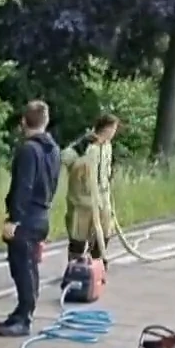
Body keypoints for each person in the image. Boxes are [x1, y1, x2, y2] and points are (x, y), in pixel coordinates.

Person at [0, 100, 63, 338]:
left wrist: (14, 219)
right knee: (30, 266)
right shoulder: (53, 150)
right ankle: (23, 311)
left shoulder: (28, 150)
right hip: (42, 214)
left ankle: (24, 318)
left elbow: (23, 186)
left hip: (27, 218)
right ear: (45, 122)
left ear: (24, 121)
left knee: (22, 267)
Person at [63, 112, 120, 263]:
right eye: (113, 129)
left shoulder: (108, 146)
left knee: (105, 231)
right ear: (106, 128)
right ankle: (74, 265)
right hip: (82, 200)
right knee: (78, 236)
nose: (114, 132)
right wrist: (82, 145)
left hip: (102, 199)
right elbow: (65, 158)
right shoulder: (86, 145)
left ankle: (96, 262)